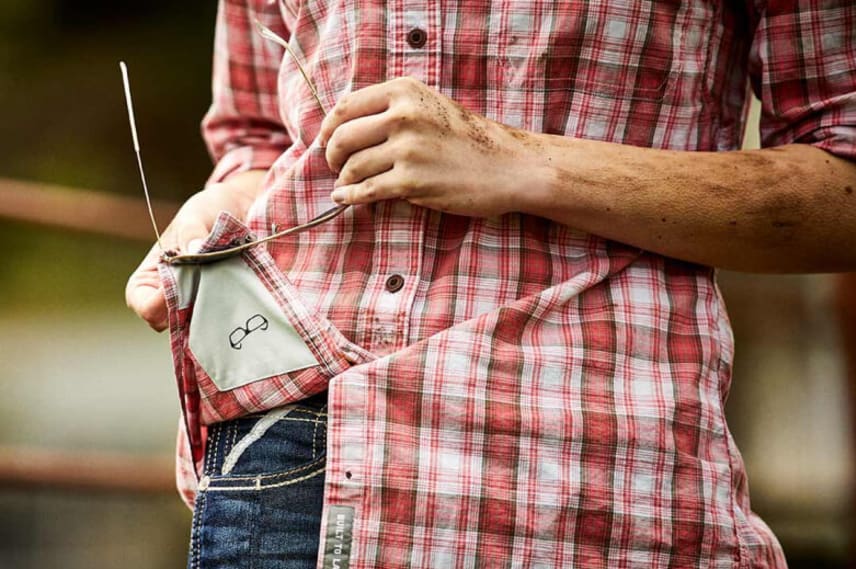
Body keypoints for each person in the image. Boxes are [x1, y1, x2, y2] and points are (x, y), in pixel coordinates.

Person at [126, 1, 856, 567]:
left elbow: (841, 177)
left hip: (589, 475)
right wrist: (213, 214)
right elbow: (261, 141)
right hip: (290, 466)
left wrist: (518, 160)